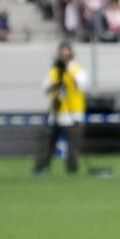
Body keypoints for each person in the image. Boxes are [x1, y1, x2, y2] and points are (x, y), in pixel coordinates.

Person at [32, 42, 88, 175]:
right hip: (56, 113)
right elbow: (46, 88)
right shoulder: (54, 71)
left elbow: (81, 85)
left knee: (73, 145)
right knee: (47, 142)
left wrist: (67, 74)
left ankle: (72, 169)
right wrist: (57, 82)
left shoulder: (77, 69)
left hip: (73, 114)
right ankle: (41, 167)